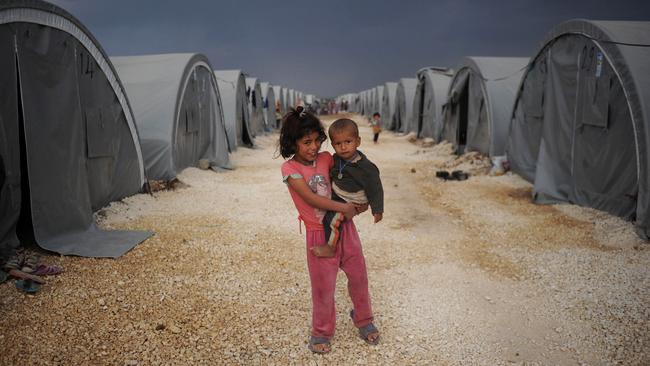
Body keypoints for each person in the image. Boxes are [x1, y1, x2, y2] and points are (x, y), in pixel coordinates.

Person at [279, 106, 380, 354]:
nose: (314, 147)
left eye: (317, 141)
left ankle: (364, 319)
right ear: (292, 144)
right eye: (306, 142)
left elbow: (356, 168)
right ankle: (322, 331)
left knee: (358, 276)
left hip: (346, 228)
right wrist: (344, 207)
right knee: (323, 287)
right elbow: (312, 200)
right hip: (318, 233)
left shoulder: (327, 159)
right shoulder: (290, 170)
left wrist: (364, 202)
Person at [313, 119, 383, 258]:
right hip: (340, 194)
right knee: (324, 204)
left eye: (348, 142)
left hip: (353, 200)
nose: (343, 147)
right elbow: (331, 173)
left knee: (332, 219)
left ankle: (330, 247)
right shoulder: (337, 159)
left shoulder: (365, 167)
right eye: (338, 144)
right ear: (333, 145)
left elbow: (375, 188)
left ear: (358, 141)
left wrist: (377, 210)